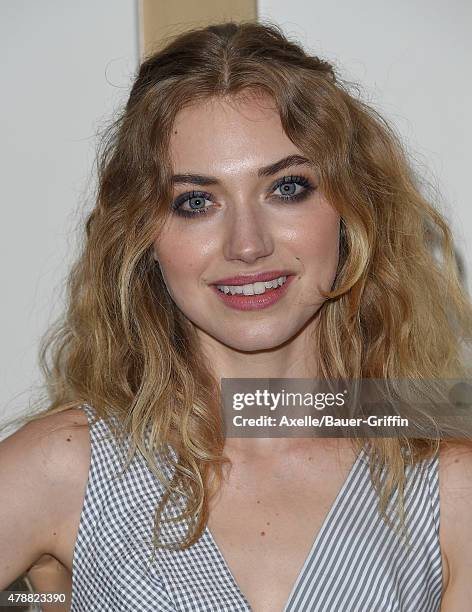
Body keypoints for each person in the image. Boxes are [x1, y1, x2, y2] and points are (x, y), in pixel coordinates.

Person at [1, 20, 472, 612]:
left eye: (288, 188)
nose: (246, 245)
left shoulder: (448, 485)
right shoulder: (67, 467)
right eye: (196, 202)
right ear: (144, 239)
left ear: (354, 211)